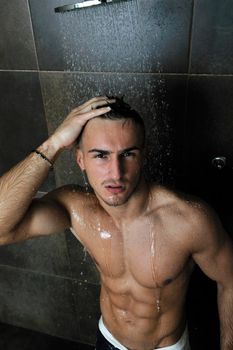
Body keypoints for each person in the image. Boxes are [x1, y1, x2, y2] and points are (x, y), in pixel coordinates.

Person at [0, 96, 233, 350]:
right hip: (108, 339)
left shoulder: (189, 221)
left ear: (143, 156)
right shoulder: (76, 208)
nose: (116, 173)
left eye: (128, 154)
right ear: (80, 160)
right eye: (100, 155)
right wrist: (53, 143)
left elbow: (230, 281)